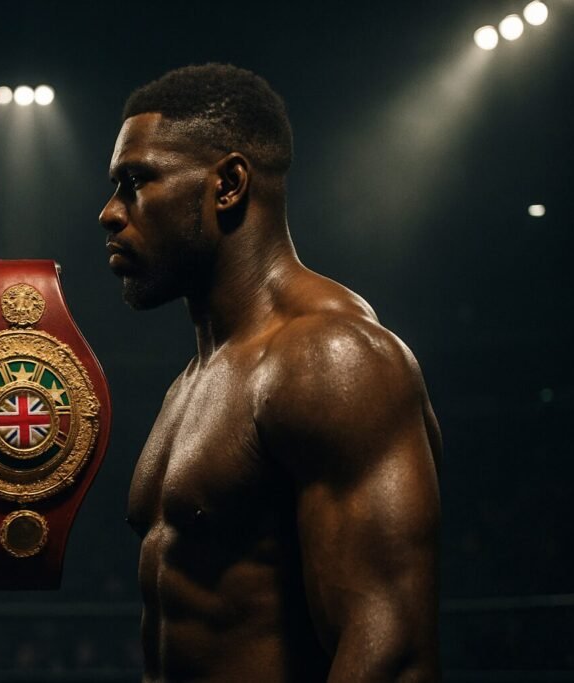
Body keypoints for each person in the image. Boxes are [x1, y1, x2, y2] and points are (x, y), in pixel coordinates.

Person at [99, 64, 442, 681]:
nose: (109, 213)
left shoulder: (330, 358)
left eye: (135, 181)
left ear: (228, 184)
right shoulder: (198, 376)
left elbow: (389, 653)